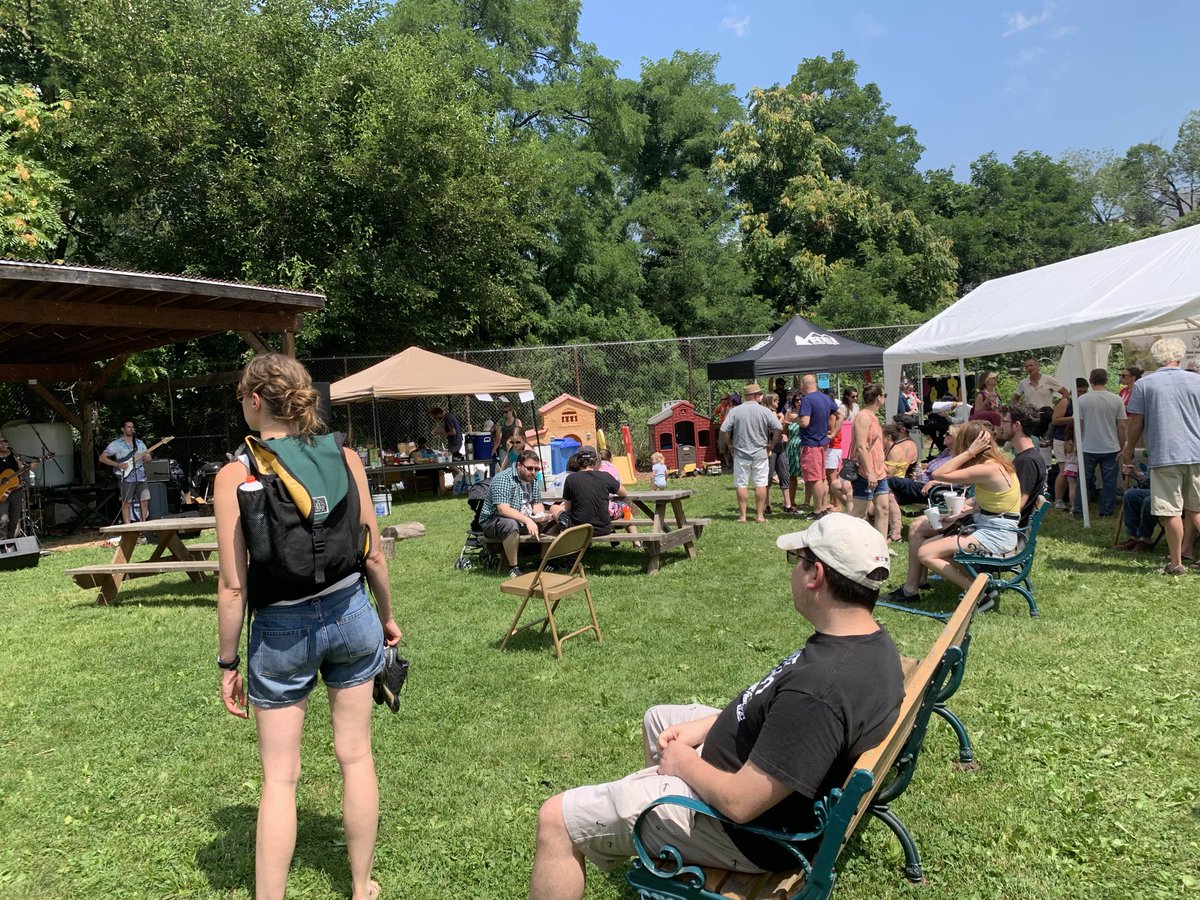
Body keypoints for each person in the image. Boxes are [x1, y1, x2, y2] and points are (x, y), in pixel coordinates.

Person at [527, 514, 903, 900]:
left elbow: (740, 803)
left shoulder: (818, 692)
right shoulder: (864, 643)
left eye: (797, 561)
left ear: (816, 575)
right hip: (766, 780)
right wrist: (706, 728)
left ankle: (655, 814)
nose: (792, 572)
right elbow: (766, 704)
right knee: (659, 718)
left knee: (556, 818)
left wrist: (683, 763)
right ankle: (651, 833)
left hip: (747, 834)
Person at [213, 353, 401, 900]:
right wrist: (387, 616)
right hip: (352, 614)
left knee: (280, 778)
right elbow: (373, 556)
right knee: (357, 755)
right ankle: (362, 885)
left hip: (280, 629)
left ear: (254, 400)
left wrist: (228, 663)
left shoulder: (237, 474)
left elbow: (232, 587)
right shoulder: (346, 458)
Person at [884, 421, 1021, 610]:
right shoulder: (995, 464)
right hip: (994, 528)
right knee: (927, 544)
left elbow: (939, 474)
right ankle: (981, 586)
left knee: (926, 552)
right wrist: (959, 514)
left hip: (995, 535)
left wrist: (969, 452)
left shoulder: (988, 468)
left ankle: (979, 593)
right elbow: (994, 501)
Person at [1122, 337, 1200, 576]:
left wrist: (1128, 449)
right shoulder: (1197, 380)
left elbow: (1135, 423)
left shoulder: (1145, 384)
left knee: (1170, 512)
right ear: (1180, 355)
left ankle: (1176, 564)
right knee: (1196, 509)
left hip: (1166, 454)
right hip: (1196, 453)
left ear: (1156, 357)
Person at [479, 448, 564, 577]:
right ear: (519, 465)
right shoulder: (503, 478)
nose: (533, 472)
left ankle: (543, 562)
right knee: (510, 524)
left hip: (524, 519)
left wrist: (541, 516)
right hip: (494, 520)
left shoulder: (533, 480)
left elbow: (537, 503)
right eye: (530, 468)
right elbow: (503, 509)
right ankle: (514, 567)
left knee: (556, 520)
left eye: (536, 469)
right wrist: (527, 520)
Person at [719, 383, 782, 523]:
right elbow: (778, 428)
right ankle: (760, 516)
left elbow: (723, 430)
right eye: (759, 394)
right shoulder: (765, 411)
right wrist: (771, 445)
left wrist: (729, 444)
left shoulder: (735, 411)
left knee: (741, 484)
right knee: (760, 483)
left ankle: (742, 516)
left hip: (741, 453)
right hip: (760, 453)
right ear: (754, 396)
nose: (761, 396)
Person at [1072, 368, 1126, 518]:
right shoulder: (1117, 399)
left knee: (1083, 480)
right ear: (1107, 380)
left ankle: (1079, 510)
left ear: (1090, 381)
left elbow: (1079, 425)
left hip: (1088, 446)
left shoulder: (1081, 400)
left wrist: (1077, 444)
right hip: (1110, 446)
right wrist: (1123, 445)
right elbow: (1122, 425)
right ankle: (1106, 511)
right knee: (1109, 482)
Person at [559, 446, 629, 537]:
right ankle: (634, 536)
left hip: (579, 529)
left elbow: (567, 508)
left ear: (577, 461)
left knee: (555, 509)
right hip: (604, 528)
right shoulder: (605, 476)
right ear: (596, 461)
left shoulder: (571, 479)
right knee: (625, 507)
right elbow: (624, 493)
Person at [849, 384, 889, 537]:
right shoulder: (863, 417)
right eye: (884, 395)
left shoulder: (874, 417)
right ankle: (843, 540)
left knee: (883, 508)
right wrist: (870, 472)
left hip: (879, 472)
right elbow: (861, 447)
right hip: (865, 472)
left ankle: (881, 546)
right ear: (879, 397)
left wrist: (881, 466)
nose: (884, 398)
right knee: (859, 512)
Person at [796, 375, 838, 519]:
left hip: (811, 443)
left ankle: (817, 510)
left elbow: (805, 422)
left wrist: (794, 418)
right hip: (823, 442)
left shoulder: (807, 399)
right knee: (822, 477)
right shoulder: (825, 397)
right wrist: (833, 433)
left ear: (803, 385)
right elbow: (840, 414)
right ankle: (823, 508)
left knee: (814, 479)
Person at [1013, 358, 1068, 466]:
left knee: (1045, 446)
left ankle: (1046, 467)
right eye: (1027, 366)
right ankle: (1034, 465)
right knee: (1034, 444)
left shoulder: (1048, 379)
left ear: (1037, 366)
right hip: (1032, 418)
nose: (1029, 368)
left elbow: (1065, 393)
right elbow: (1015, 399)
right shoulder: (1023, 383)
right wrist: (1020, 410)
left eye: (1031, 365)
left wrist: (1059, 408)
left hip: (1047, 416)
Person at [99, 420, 153, 525]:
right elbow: (102, 458)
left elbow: (149, 460)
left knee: (144, 500)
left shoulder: (139, 443)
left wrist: (147, 457)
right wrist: (117, 465)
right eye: (128, 427)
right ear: (123, 429)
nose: (131, 429)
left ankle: (144, 526)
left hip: (141, 475)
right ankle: (128, 527)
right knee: (126, 502)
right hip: (126, 477)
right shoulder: (116, 444)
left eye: (132, 427)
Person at [0, 432, 38, 539]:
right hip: (1, 493)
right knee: (3, 519)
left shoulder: (14, 456)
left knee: (14, 519)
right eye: (0, 442)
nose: (3, 444)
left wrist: (28, 467)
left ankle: (11, 543)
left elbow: (23, 471)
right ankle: (2, 545)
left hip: (16, 490)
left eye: (5, 441)